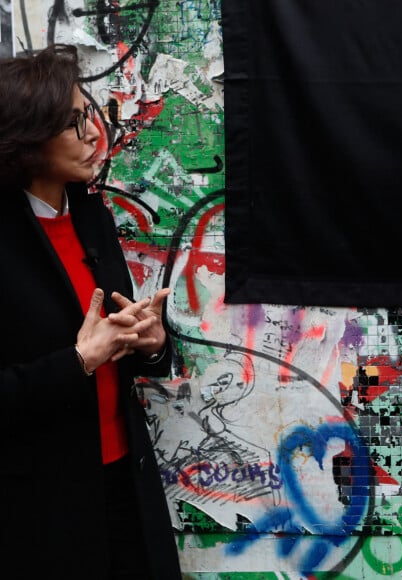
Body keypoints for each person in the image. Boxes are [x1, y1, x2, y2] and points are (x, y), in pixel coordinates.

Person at [0, 44, 181, 579]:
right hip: (40, 508)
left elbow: (117, 338)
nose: (92, 136)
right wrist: (77, 361)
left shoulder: (91, 216)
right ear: (27, 140)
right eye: (73, 124)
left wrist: (151, 343)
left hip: (124, 478)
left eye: (88, 117)